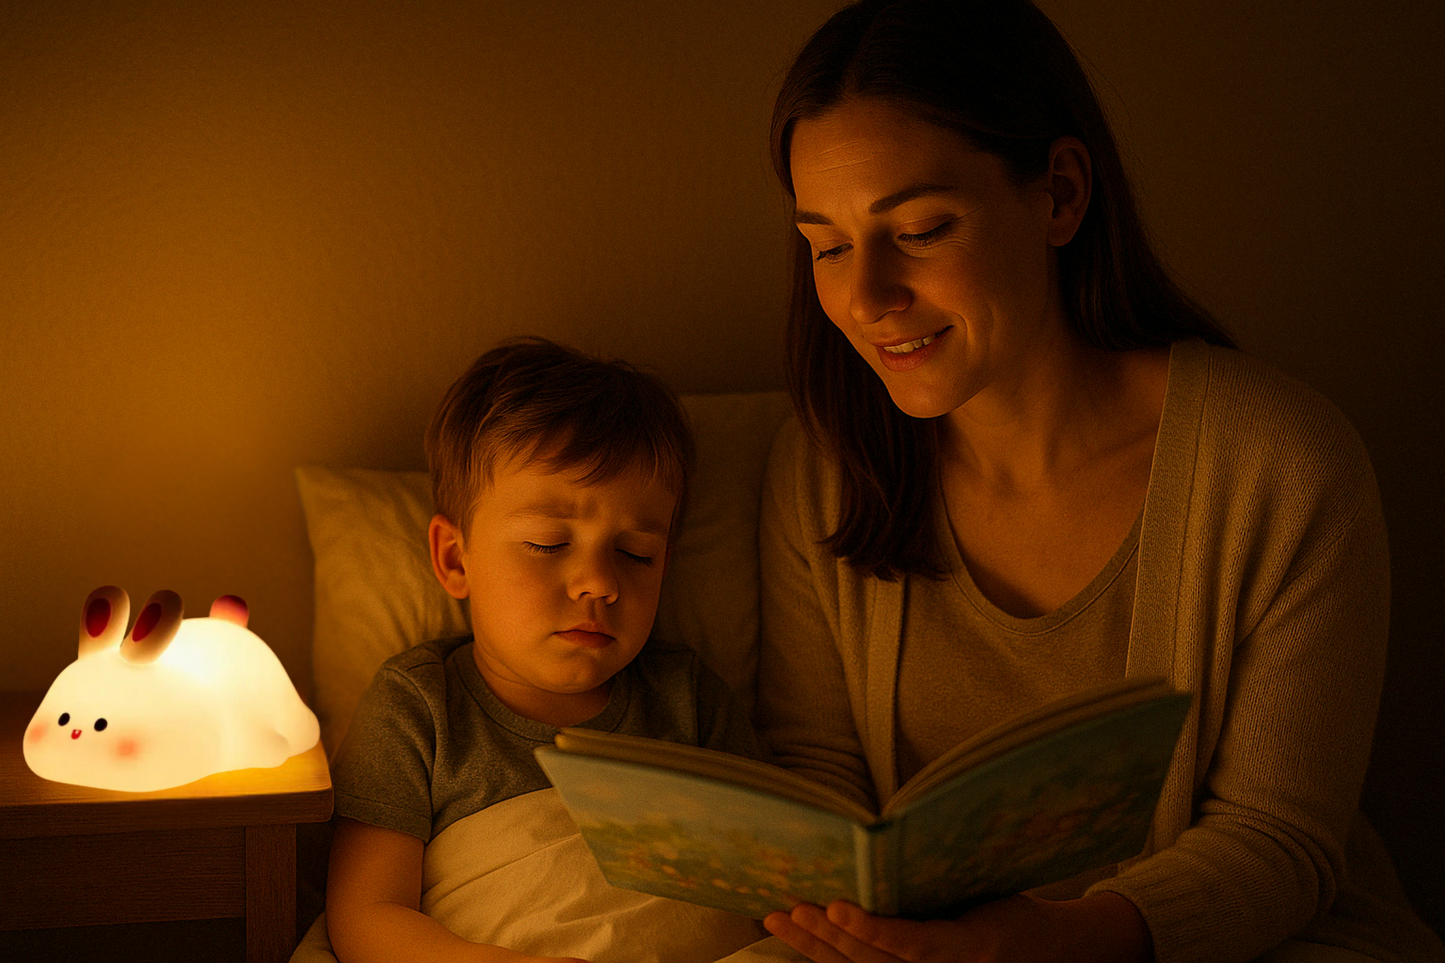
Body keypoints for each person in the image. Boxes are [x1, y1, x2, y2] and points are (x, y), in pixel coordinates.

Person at [752, 2, 1445, 962]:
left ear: (1061, 195)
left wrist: (1052, 940)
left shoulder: (1279, 464)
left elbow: (1276, 841)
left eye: (919, 229)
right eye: (826, 245)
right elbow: (819, 770)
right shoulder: (824, 465)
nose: (865, 296)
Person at [323, 337, 768, 963]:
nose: (601, 583)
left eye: (636, 554)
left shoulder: (688, 701)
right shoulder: (420, 706)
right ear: (455, 559)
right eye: (548, 543)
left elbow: (766, 892)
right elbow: (367, 918)